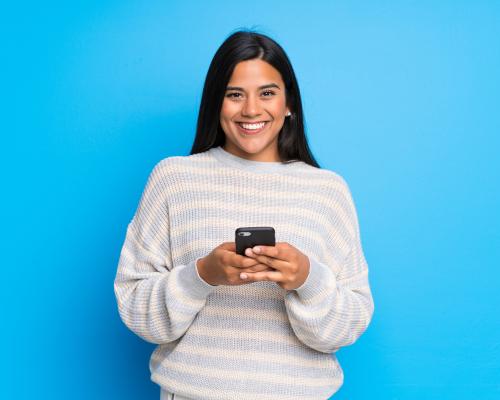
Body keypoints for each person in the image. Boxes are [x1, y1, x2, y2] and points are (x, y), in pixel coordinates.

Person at [114, 29, 374, 400]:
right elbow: (136, 308)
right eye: (234, 94)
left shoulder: (328, 191)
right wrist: (202, 274)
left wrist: (306, 278)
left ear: (289, 104)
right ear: (215, 103)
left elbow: (349, 323)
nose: (251, 109)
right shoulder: (174, 179)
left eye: (267, 93)